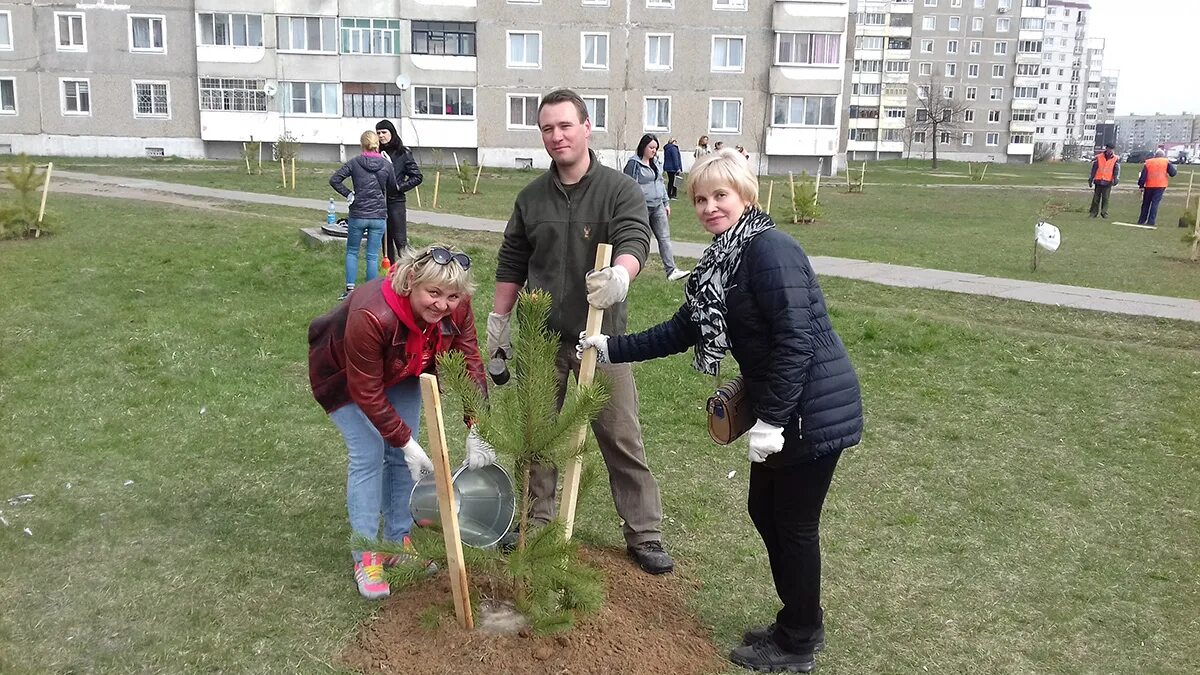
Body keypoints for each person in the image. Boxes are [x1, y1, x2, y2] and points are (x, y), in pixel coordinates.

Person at [578, 149, 863, 673]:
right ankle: (799, 618)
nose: (709, 207)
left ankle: (799, 641)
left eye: (720, 196)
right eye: (700, 199)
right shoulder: (722, 260)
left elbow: (796, 341)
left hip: (810, 410)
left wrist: (772, 421)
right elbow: (682, 329)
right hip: (787, 407)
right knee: (765, 511)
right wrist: (612, 348)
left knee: (793, 524)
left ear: (745, 196)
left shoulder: (770, 251)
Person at [487, 88, 674, 575]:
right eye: (547, 128)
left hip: (601, 339)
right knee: (536, 435)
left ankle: (644, 533)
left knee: (621, 435)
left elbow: (635, 237)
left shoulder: (618, 190)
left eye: (565, 125)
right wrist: (499, 323)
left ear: (587, 127)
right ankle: (535, 521)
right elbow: (512, 260)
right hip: (541, 338)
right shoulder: (531, 198)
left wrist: (622, 275)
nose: (556, 136)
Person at [307, 244, 493, 600]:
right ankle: (366, 555)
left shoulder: (458, 306)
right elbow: (366, 391)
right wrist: (406, 443)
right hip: (343, 377)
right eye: (433, 293)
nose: (443, 305)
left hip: (404, 365)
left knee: (402, 454)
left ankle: (398, 542)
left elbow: (469, 360)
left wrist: (477, 425)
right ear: (410, 282)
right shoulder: (372, 314)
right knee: (370, 452)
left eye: (452, 296)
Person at [330, 131, 396, 300]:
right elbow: (393, 187)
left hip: (358, 214)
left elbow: (335, 179)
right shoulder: (386, 164)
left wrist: (348, 194)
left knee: (352, 251)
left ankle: (350, 290)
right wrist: (390, 166)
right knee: (372, 255)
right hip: (378, 215)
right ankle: (370, 292)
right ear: (377, 144)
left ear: (362, 145)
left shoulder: (354, 162)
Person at [624, 134, 690, 282]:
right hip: (641, 208)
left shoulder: (656, 163)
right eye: (651, 148)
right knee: (640, 239)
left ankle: (671, 270)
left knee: (664, 238)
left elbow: (660, 183)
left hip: (658, 206)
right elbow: (629, 186)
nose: (654, 151)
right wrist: (631, 206)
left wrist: (666, 203)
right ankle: (630, 269)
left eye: (655, 148)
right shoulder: (634, 164)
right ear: (643, 147)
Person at [375, 120, 424, 263]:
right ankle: (390, 271)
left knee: (400, 240)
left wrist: (399, 187)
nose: (381, 136)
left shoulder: (403, 153)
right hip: (379, 202)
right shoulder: (377, 153)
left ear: (392, 133)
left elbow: (417, 177)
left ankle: (406, 270)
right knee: (385, 241)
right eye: (378, 133)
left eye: (384, 132)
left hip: (396, 202)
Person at [1137, 148, 1178, 226]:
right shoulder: (1166, 162)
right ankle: (1151, 221)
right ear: (1163, 156)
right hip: (1160, 185)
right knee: (1155, 203)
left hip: (1149, 185)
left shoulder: (1148, 162)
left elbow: (1143, 175)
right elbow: (1173, 173)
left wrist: (1141, 185)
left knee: (1146, 203)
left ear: (1155, 155)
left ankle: (1141, 220)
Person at [1087, 143, 1120, 219]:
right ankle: (1093, 213)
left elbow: (1116, 170)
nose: (1110, 150)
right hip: (1098, 180)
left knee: (1105, 198)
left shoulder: (1115, 159)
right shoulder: (1099, 157)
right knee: (1096, 198)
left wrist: (1116, 179)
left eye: (1111, 149)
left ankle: (1104, 213)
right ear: (1106, 148)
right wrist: (1091, 179)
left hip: (1108, 181)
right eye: (1109, 148)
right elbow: (1094, 169)